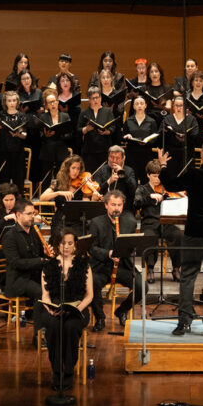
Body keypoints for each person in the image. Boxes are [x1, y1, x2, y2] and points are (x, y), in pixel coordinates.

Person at [158, 137, 203, 336]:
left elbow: (171, 184)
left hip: (195, 231)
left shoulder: (194, 174)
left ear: (202, 155)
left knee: (188, 275)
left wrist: (163, 165)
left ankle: (184, 322)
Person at [40, 228, 93, 391]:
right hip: (55, 307)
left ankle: (68, 372)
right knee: (54, 327)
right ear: (57, 244)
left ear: (75, 245)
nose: (67, 247)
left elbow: (89, 295)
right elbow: (45, 295)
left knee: (70, 328)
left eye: (70, 243)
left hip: (77, 307)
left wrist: (78, 308)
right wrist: (49, 308)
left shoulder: (84, 265)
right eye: (63, 243)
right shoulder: (48, 266)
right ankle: (57, 371)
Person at [87, 191, 146, 330]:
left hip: (122, 266)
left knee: (142, 287)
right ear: (106, 205)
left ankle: (122, 311)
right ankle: (100, 317)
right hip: (101, 266)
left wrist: (132, 249)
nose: (116, 208)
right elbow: (92, 248)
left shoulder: (131, 222)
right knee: (92, 282)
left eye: (119, 205)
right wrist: (108, 253)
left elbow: (131, 246)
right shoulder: (96, 222)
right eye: (113, 205)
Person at [2, 199, 52, 342]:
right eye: (29, 214)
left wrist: (46, 254)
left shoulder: (34, 232)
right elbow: (15, 263)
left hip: (33, 276)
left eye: (33, 213)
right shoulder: (10, 236)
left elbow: (37, 256)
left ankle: (51, 329)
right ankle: (39, 335)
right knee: (41, 293)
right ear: (18, 215)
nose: (33, 217)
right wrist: (40, 261)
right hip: (18, 280)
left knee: (54, 286)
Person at [134, 160, 183, 283]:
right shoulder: (142, 189)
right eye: (154, 176)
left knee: (178, 235)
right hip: (149, 223)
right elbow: (136, 202)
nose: (157, 179)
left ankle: (176, 268)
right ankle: (150, 269)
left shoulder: (166, 189)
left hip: (166, 222)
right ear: (148, 175)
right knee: (149, 236)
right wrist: (149, 197)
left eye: (159, 176)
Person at [39, 88, 73, 189]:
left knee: (61, 177)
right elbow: (40, 136)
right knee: (46, 178)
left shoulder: (65, 116)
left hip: (61, 150)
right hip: (47, 151)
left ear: (58, 102)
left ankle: (60, 198)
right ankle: (46, 201)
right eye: (50, 102)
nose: (53, 104)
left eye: (54, 101)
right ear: (46, 105)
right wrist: (46, 135)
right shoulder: (43, 117)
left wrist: (60, 134)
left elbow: (70, 135)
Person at [0, 91, 28, 191]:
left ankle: (19, 200)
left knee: (18, 178)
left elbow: (24, 135)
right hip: (4, 150)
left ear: (17, 102)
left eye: (14, 100)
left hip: (18, 151)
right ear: (5, 102)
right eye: (9, 101)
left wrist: (17, 134)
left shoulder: (21, 115)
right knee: (4, 178)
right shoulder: (1, 114)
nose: (12, 103)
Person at [77, 87, 116, 172]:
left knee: (104, 174)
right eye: (93, 98)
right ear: (89, 100)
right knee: (90, 174)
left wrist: (106, 132)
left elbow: (113, 127)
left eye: (97, 97)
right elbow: (78, 130)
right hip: (89, 150)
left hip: (104, 149)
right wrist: (86, 129)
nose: (95, 100)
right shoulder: (84, 113)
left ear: (101, 98)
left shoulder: (107, 111)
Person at [122, 96, 159, 184]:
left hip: (146, 153)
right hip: (132, 153)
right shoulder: (128, 120)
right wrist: (126, 136)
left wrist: (147, 142)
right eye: (137, 104)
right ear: (134, 106)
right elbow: (122, 135)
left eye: (141, 104)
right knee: (132, 179)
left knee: (145, 179)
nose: (139, 106)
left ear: (145, 106)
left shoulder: (152, 121)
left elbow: (155, 137)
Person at [160, 96, 199, 177]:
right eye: (176, 105)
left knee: (187, 179)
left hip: (187, 154)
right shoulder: (167, 119)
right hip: (171, 154)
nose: (179, 108)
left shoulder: (192, 119)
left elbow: (195, 135)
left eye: (181, 105)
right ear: (173, 107)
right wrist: (166, 131)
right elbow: (160, 135)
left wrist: (185, 138)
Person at [93, 146, 138, 213]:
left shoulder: (129, 171)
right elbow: (97, 191)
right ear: (108, 157)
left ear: (123, 158)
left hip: (124, 209)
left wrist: (123, 174)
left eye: (117, 158)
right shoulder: (101, 170)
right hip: (104, 208)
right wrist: (108, 181)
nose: (114, 160)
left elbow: (134, 191)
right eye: (111, 157)